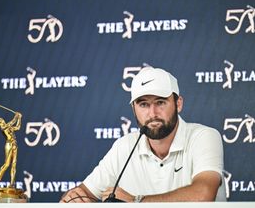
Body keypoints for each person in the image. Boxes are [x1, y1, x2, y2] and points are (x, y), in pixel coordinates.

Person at [60, 67, 225, 203]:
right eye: (144, 104)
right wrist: (74, 199)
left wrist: (136, 201)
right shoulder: (125, 146)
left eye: (160, 102)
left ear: (178, 104)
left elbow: (203, 195)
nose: (152, 113)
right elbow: (81, 193)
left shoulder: (204, 136)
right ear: (133, 109)